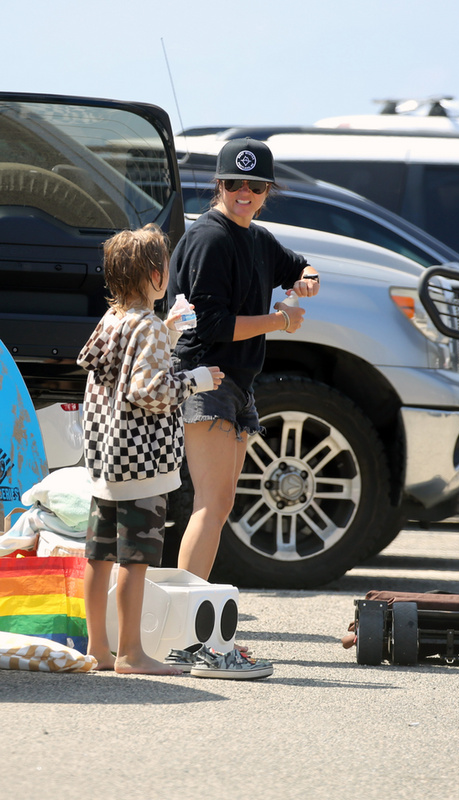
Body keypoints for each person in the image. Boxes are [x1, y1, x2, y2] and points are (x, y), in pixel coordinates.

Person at [167, 138, 320, 583]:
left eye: (255, 185)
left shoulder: (257, 238)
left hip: (236, 383)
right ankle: (186, 626)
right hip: (205, 378)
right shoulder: (210, 238)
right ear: (219, 184)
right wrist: (281, 320)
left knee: (220, 505)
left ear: (267, 192)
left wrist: (307, 280)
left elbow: (300, 267)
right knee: (210, 504)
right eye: (235, 182)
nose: (244, 192)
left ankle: (193, 620)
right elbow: (210, 326)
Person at [78, 224, 225, 675]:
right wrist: (197, 379)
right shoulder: (149, 330)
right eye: (164, 264)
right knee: (135, 561)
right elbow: (147, 390)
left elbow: (117, 371)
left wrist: (168, 330)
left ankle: (97, 649)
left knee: (99, 557)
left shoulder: (115, 320)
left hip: (106, 459)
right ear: (153, 274)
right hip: (142, 464)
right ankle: (130, 653)